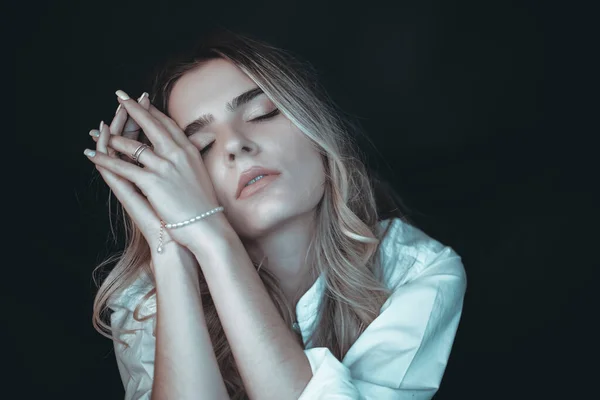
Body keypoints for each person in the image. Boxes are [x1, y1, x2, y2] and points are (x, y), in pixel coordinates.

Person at [86, 30, 467, 400]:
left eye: (262, 114)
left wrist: (216, 243)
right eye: (201, 146)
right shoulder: (147, 299)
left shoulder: (416, 270)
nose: (235, 144)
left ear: (316, 129)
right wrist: (173, 246)